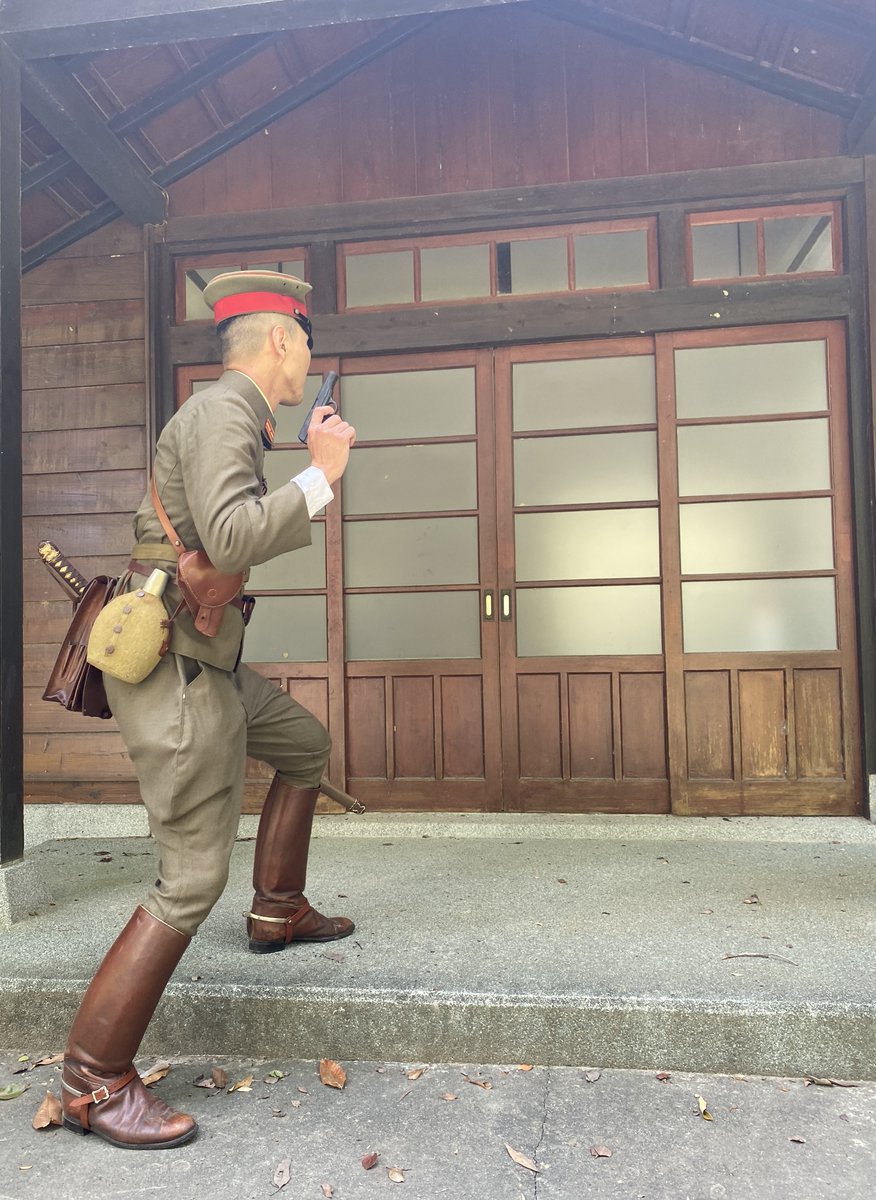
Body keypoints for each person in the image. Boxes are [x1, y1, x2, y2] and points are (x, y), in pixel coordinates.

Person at [60, 270, 357, 1150]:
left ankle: (279, 907)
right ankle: (92, 1079)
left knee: (303, 742)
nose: (308, 355)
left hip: (208, 659)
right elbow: (229, 538)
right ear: (279, 342)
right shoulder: (227, 412)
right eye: (303, 340)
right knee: (189, 880)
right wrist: (320, 475)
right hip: (176, 676)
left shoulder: (227, 413)